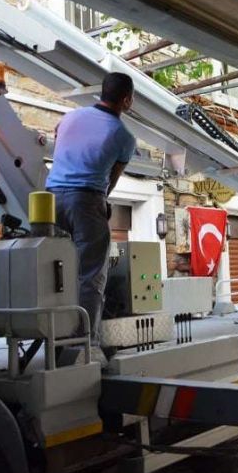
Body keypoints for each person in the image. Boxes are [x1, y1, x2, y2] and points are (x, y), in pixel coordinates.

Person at [46, 72, 136, 361]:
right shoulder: (123, 136)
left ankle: (49, 336)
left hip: (49, 201)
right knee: (90, 276)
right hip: (85, 200)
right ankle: (85, 345)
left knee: (50, 271)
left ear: (101, 92)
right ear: (126, 100)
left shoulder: (69, 117)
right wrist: (102, 201)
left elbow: (58, 139)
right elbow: (110, 180)